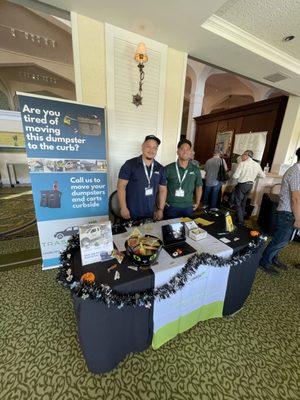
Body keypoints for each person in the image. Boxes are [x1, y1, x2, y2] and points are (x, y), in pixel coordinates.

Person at [260, 148, 300, 275]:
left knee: (284, 240)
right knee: (280, 240)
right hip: (288, 213)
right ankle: (264, 262)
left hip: (291, 212)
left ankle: (273, 258)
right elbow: (295, 199)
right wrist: (298, 219)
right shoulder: (295, 173)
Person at [117, 135, 167, 221]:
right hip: (131, 212)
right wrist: (123, 208)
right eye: (148, 146)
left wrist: (160, 209)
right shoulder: (129, 164)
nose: (151, 150)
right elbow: (121, 186)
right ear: (142, 147)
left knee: (148, 234)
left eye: (154, 148)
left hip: (151, 213)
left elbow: (163, 190)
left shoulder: (160, 168)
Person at [164, 139, 203, 219]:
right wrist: (162, 203)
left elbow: (199, 186)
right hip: (171, 206)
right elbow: (161, 187)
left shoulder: (195, 169)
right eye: (182, 149)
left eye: (187, 149)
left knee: (186, 229)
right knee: (169, 229)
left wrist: (198, 202)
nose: (185, 152)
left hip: (188, 206)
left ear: (190, 152)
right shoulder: (168, 168)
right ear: (177, 151)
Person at [232, 150, 265, 225]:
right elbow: (263, 176)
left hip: (242, 185)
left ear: (247, 155)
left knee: (238, 202)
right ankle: (241, 217)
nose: (242, 157)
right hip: (250, 185)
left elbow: (235, 176)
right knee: (244, 202)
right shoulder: (257, 165)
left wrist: (238, 176)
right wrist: (255, 177)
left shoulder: (242, 164)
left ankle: (240, 221)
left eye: (243, 155)